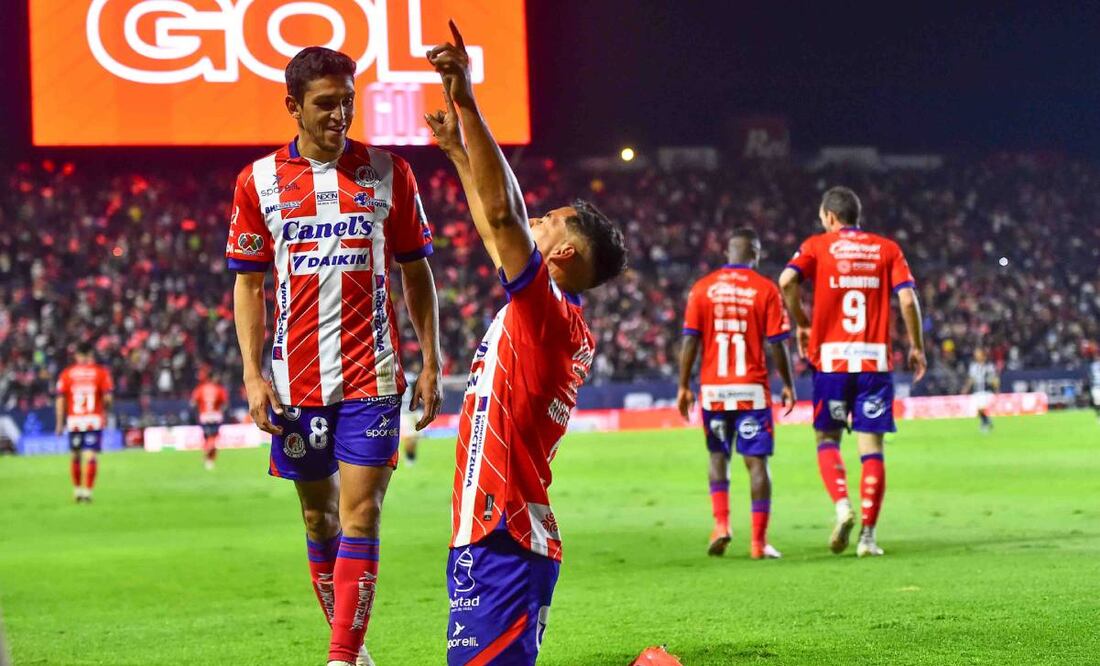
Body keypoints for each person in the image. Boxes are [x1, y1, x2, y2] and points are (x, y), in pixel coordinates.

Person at [227, 46, 442, 666]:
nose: (340, 114)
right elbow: (248, 283)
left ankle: (341, 656)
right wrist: (253, 374)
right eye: (326, 103)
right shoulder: (258, 181)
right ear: (293, 106)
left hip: (371, 373)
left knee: (363, 511)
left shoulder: (389, 171)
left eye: (349, 100)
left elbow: (415, 271)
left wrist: (430, 360)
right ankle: (352, 644)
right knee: (320, 520)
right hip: (295, 381)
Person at [425, 22, 627, 665]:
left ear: (562, 253)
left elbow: (506, 217)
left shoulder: (547, 319)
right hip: (493, 533)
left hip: (502, 534)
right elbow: (496, 229)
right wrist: (459, 154)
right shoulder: (547, 313)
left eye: (551, 221)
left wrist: (468, 101)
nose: (535, 219)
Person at [778, 186, 926, 558]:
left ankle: (843, 507)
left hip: (832, 362)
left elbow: (786, 281)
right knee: (871, 448)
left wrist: (802, 322)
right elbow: (907, 298)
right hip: (874, 361)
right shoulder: (887, 248)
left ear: (830, 216)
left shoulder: (817, 245)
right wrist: (917, 346)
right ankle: (868, 538)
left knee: (827, 439)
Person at [677, 228, 797, 559]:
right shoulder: (765, 289)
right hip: (751, 390)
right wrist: (787, 383)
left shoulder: (702, 288)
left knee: (718, 456)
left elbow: (690, 340)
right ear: (754, 253)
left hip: (715, 389)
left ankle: (721, 525)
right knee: (756, 463)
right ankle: (759, 543)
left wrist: (684, 384)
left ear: (728, 252)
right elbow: (777, 344)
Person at [55, 344, 114, 503]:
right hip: (93, 420)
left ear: (77, 356)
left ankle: (77, 490)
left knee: (75, 455)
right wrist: (104, 411)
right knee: (91, 455)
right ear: (90, 355)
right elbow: (108, 398)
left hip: (74, 420)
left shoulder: (67, 374)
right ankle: (88, 492)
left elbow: (60, 400)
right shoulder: (100, 372)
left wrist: (59, 423)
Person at [191, 369, 229, 469]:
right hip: (216, 416)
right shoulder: (219, 389)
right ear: (213, 378)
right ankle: (209, 458)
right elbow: (225, 404)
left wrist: (199, 410)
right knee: (213, 438)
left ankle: (208, 458)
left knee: (208, 438)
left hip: (204, 416)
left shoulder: (200, 388)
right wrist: (221, 411)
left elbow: (193, 403)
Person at [961, 348, 999, 433]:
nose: (976, 356)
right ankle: (987, 422)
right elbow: (971, 379)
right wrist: (966, 388)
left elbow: (994, 378)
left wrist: (996, 389)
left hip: (986, 391)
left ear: (983, 355)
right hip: (977, 390)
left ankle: (985, 423)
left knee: (981, 408)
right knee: (978, 410)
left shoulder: (989, 366)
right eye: (976, 354)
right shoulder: (973, 366)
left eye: (978, 354)